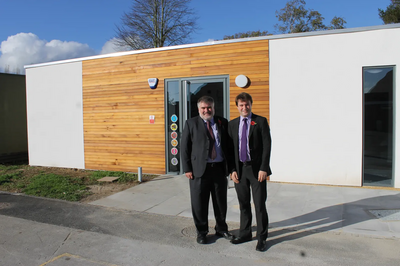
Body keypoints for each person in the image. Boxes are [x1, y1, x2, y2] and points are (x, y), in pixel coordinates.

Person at [181, 96, 234, 244]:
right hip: (198, 171)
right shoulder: (191, 123)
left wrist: (231, 168)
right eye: (203, 108)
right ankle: (202, 232)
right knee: (199, 203)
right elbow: (185, 148)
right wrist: (187, 168)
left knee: (220, 202)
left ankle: (221, 229)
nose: (206, 110)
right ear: (199, 109)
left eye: (209, 107)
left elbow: (228, 148)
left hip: (218, 169)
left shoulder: (222, 122)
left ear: (213, 108)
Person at [228, 92, 272, 252]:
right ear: (237, 107)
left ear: (251, 105)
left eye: (247, 104)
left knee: (259, 205)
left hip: (256, 170)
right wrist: (232, 169)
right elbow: (229, 150)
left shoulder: (260, 122)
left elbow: (267, 146)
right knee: (243, 204)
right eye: (241, 105)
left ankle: (262, 238)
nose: (244, 107)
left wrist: (264, 168)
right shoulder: (232, 124)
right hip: (240, 170)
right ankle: (245, 233)